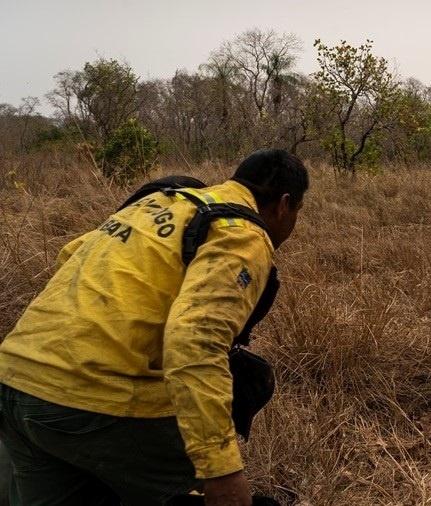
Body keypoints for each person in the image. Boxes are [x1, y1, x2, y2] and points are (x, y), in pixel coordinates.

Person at [0, 149, 309, 505]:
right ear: (285, 204)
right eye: (297, 212)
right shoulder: (243, 232)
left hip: (16, 381)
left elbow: (69, 254)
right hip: (90, 400)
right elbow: (196, 342)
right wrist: (222, 472)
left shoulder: (162, 203)